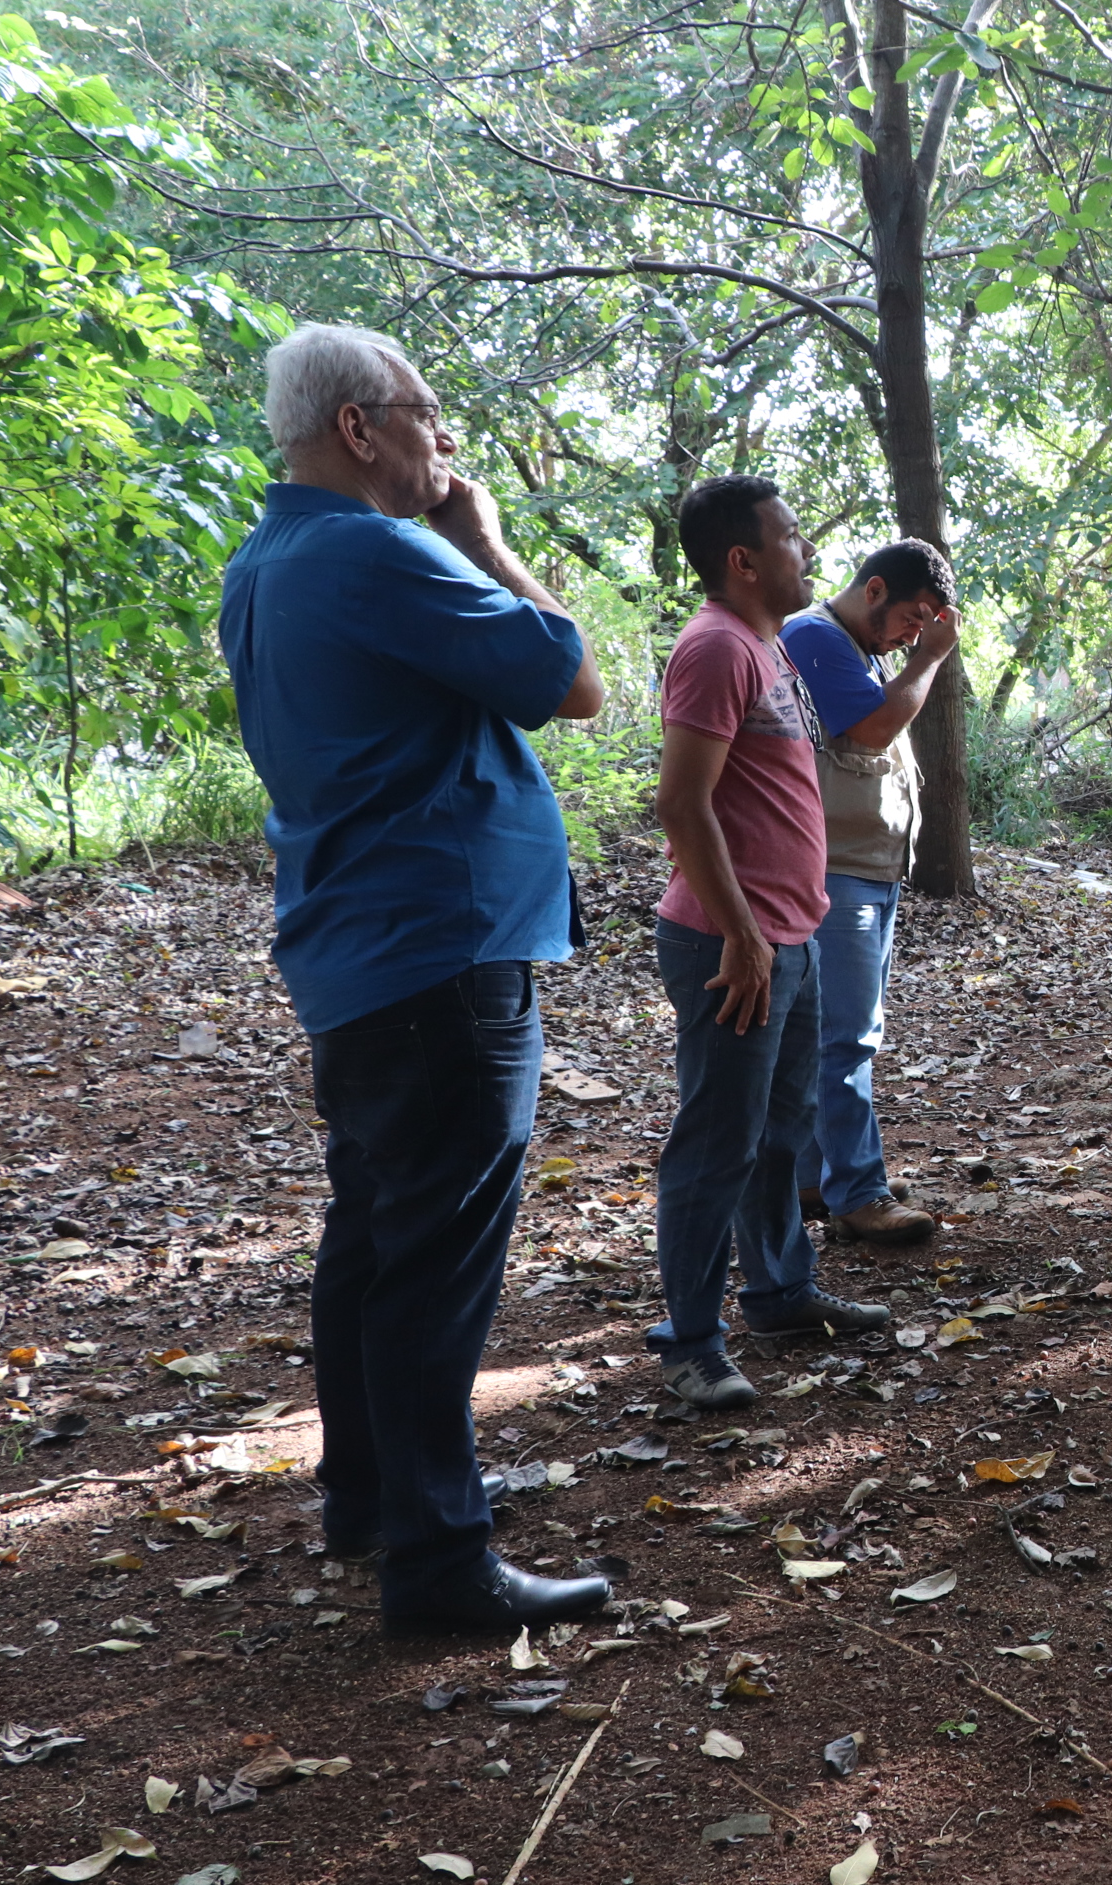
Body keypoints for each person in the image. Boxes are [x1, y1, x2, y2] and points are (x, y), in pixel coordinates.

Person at [223, 323, 612, 1632]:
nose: (445, 442)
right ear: (361, 429)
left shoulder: (261, 565)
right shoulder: (379, 551)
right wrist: (484, 536)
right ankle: (440, 1562)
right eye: (429, 412)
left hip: (355, 954)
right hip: (442, 952)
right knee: (436, 1259)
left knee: (376, 1236)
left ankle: (371, 1499)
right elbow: (573, 678)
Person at [648, 475, 890, 1411]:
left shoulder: (770, 645)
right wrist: (744, 937)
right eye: (791, 537)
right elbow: (681, 802)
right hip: (730, 941)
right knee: (719, 1138)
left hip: (791, 933)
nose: (808, 552)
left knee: (782, 1129)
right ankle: (690, 1339)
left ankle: (780, 1290)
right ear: (743, 560)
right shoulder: (714, 647)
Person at [777, 542, 962, 1247]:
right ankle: (858, 1193)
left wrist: (911, 656)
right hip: (834, 870)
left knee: (841, 1033)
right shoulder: (817, 638)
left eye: (925, 626)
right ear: (875, 589)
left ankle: (813, 1177)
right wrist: (930, 659)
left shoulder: (864, 651)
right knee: (845, 1039)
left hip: (869, 869)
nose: (917, 633)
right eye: (914, 617)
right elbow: (876, 727)